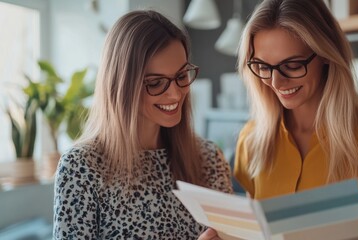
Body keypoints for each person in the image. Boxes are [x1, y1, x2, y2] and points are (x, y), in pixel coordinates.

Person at [200, 0, 358, 239]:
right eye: (262, 66)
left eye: (292, 65)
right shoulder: (251, 139)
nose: (276, 82)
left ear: (325, 53)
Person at [53, 10, 232, 239]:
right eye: (156, 83)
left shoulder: (208, 159)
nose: (176, 94)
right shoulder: (82, 168)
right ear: (121, 85)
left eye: (181, 76)